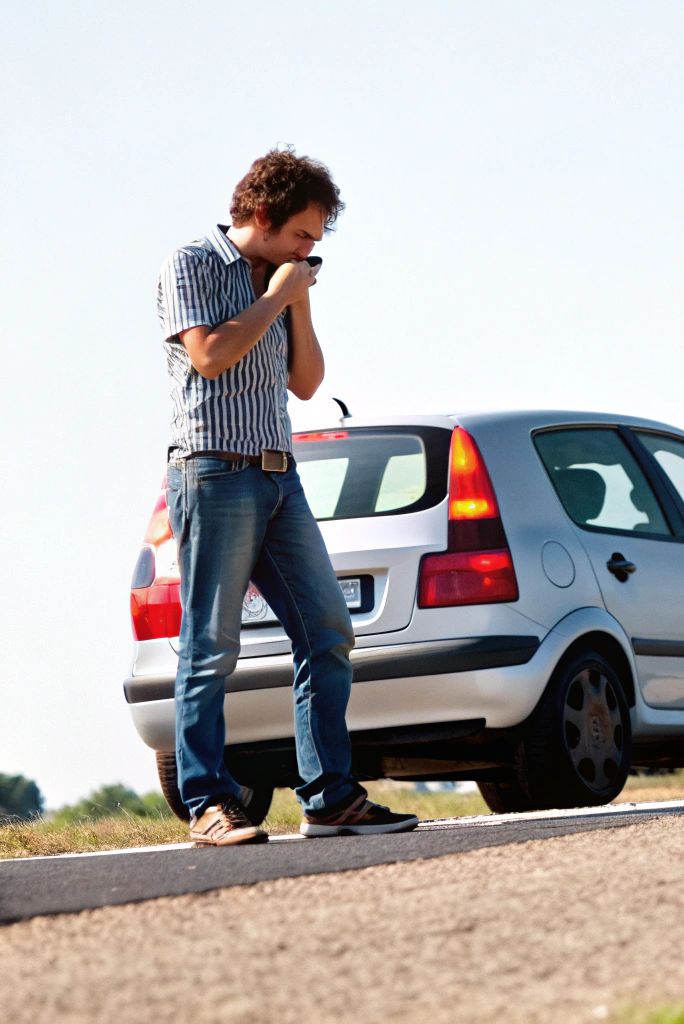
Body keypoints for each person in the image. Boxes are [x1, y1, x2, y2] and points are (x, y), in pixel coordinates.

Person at [157, 147, 417, 845]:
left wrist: (295, 301)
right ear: (265, 216)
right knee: (211, 647)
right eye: (303, 235)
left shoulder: (283, 281)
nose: (310, 249)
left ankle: (330, 798)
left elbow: (305, 383)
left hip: (280, 476)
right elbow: (210, 354)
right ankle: (209, 805)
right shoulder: (193, 263)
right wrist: (276, 297)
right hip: (214, 472)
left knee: (329, 631)